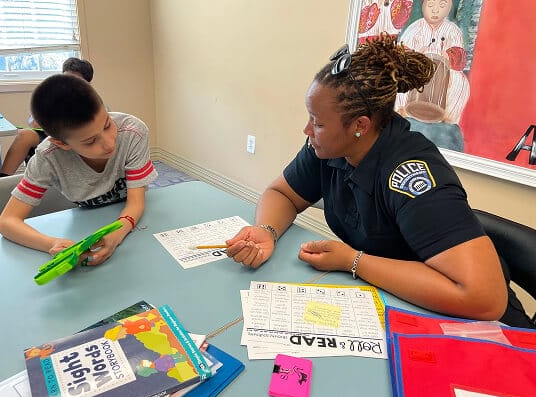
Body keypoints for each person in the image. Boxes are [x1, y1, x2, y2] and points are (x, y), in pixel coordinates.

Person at [226, 34, 534, 329]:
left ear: (360, 125)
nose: (307, 129)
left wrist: (354, 262)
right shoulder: (328, 149)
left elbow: (485, 299)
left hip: (483, 330)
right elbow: (282, 193)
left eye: (318, 123)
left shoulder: (411, 173)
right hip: (401, 304)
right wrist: (266, 230)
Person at [0, 73, 157, 266]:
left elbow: (136, 203)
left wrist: (116, 235)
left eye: (107, 124)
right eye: (90, 141)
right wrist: (51, 243)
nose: (109, 144)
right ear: (61, 143)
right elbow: (7, 221)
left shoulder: (133, 132)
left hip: (135, 225)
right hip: (85, 222)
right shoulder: (48, 157)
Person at [0, 57, 95, 177]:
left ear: (86, 83)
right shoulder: (53, 94)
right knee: (24, 135)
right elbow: (33, 121)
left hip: (74, 138)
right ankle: (2, 181)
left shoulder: (90, 101)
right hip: (50, 133)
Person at [395, 0, 470, 124]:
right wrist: (415, 54)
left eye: (442, 5)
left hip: (442, 75)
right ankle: (403, 111)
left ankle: (448, 118)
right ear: (423, 5)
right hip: (417, 71)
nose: (435, 10)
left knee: (460, 81)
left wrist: (449, 56)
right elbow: (400, 53)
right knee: (399, 74)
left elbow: (459, 62)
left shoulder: (453, 30)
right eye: (430, 5)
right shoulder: (415, 28)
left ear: (450, 6)